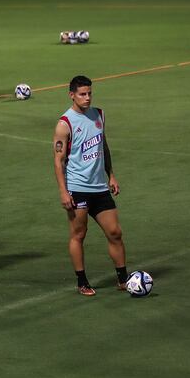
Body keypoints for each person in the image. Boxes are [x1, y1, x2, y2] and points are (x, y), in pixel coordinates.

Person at [54, 76, 128, 296]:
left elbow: (103, 146)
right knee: (79, 234)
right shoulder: (64, 124)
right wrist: (63, 191)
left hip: (100, 188)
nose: (87, 98)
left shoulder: (99, 115)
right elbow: (58, 160)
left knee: (115, 232)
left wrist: (111, 175)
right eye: (82, 94)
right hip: (78, 188)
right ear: (72, 95)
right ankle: (82, 282)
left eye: (89, 94)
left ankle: (123, 279)